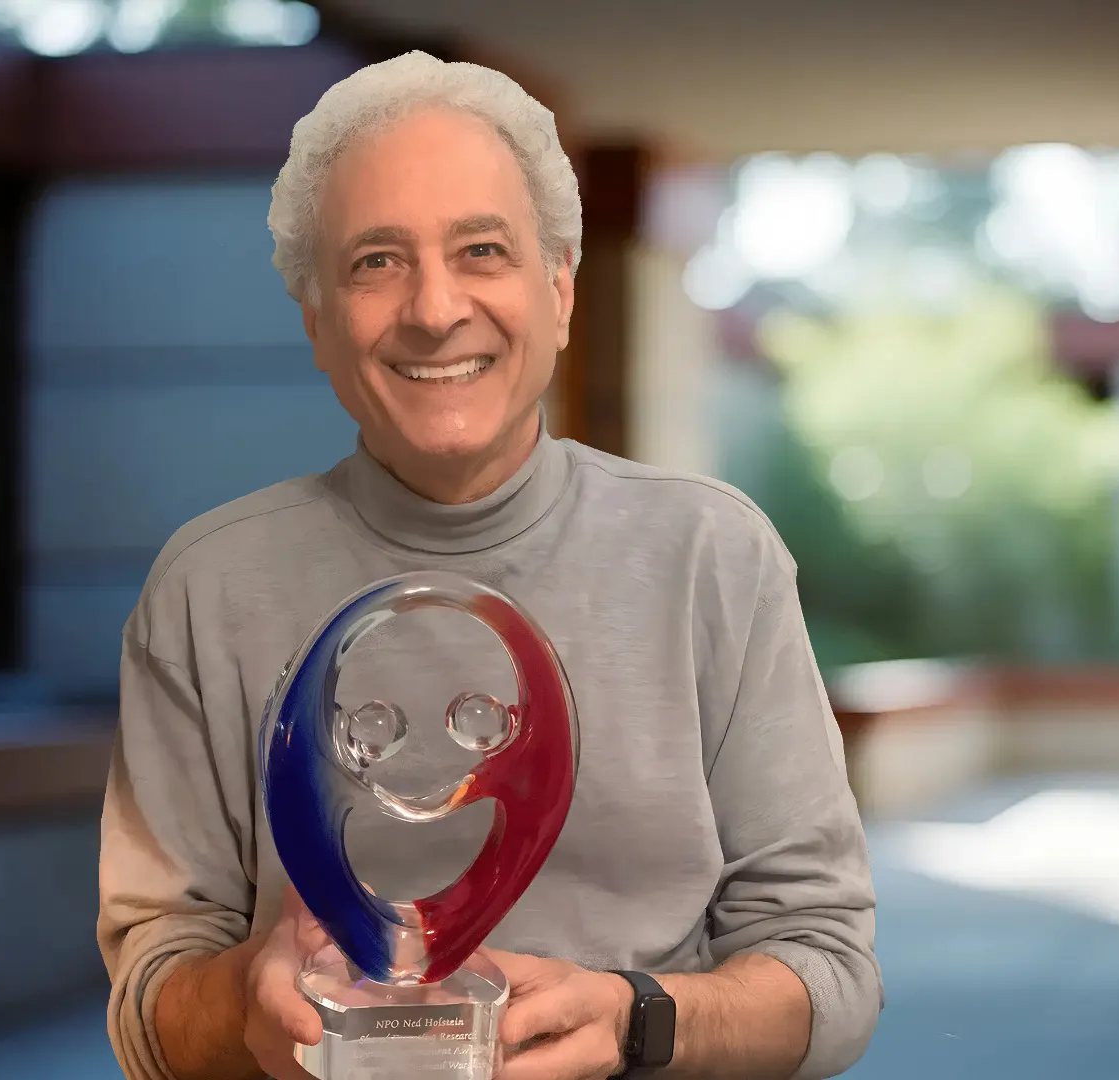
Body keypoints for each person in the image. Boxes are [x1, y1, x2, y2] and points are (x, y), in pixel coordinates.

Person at [98, 50, 881, 1080]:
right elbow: (151, 1001)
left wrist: (635, 1022)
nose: (432, 308)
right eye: (375, 260)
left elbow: (829, 975)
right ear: (315, 319)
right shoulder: (204, 589)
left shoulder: (713, 559)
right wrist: (245, 1002)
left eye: (481, 250)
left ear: (559, 289)